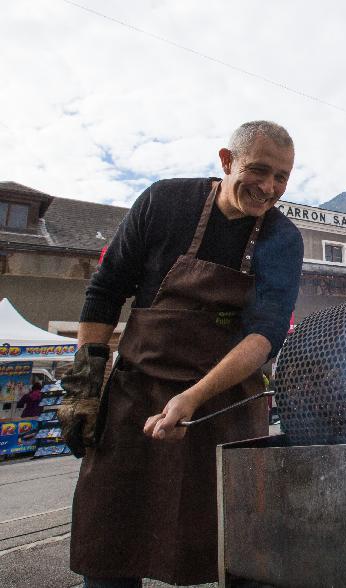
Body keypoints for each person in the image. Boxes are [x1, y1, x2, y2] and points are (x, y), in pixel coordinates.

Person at [60, 121, 303, 587]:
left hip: (223, 404)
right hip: (137, 393)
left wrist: (193, 397)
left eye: (281, 177)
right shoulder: (164, 202)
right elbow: (106, 291)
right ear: (227, 160)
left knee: (239, 546)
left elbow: (266, 334)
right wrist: (85, 385)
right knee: (109, 538)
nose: (269, 187)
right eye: (258, 170)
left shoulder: (282, 239)